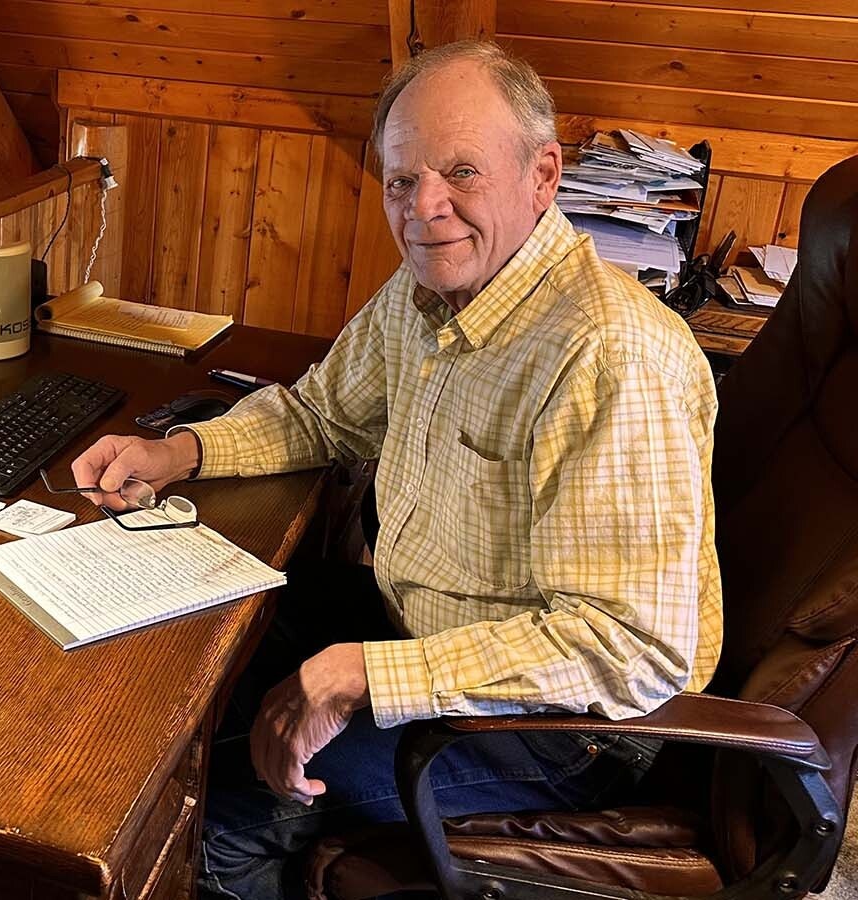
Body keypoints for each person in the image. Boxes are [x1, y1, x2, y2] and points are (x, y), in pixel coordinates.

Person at [71, 41, 721, 900]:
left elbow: (628, 647)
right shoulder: (429, 289)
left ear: (544, 174)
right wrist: (176, 451)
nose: (426, 208)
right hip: (424, 622)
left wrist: (361, 674)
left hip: (564, 725)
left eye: (461, 172)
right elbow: (322, 411)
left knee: (204, 813)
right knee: (177, 658)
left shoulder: (610, 355)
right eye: (401, 181)